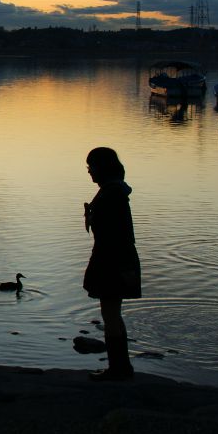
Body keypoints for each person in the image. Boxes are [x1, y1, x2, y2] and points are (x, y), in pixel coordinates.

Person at [82, 146, 141, 381]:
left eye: (91, 167)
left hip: (112, 260)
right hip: (114, 258)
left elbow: (115, 234)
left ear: (102, 168)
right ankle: (121, 368)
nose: (89, 172)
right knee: (112, 314)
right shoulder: (113, 191)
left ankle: (119, 370)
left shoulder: (111, 194)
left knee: (111, 314)